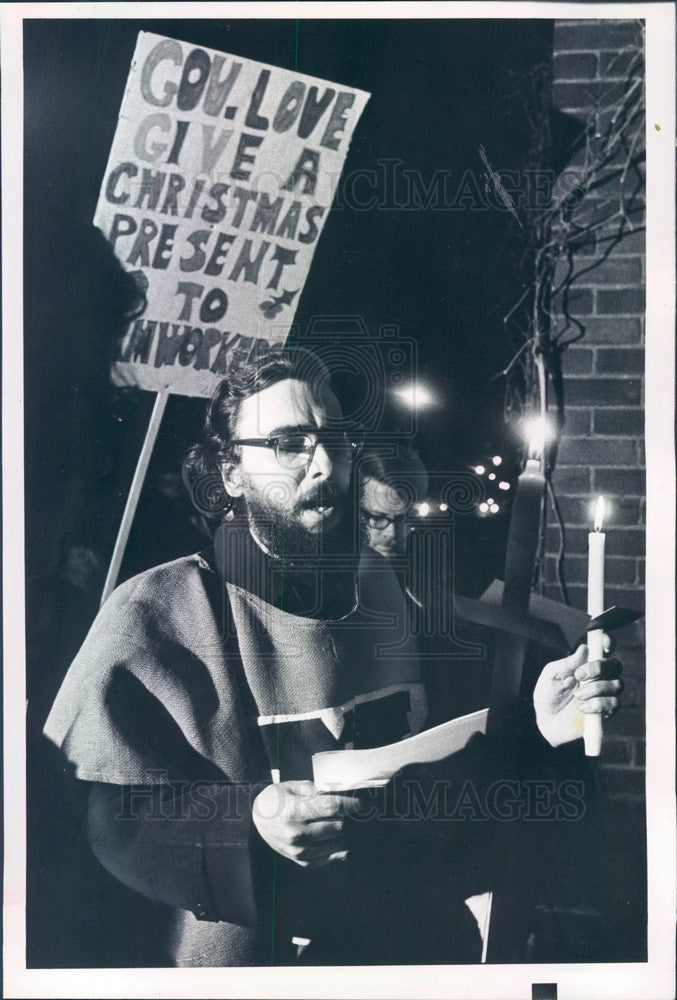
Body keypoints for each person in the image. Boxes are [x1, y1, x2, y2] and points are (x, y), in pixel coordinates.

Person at [44, 346, 624, 967]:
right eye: (290, 443)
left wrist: (538, 730)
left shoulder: (394, 593)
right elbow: (107, 823)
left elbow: (454, 772)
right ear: (232, 471)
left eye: (334, 440)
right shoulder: (154, 614)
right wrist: (251, 826)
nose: (323, 464)